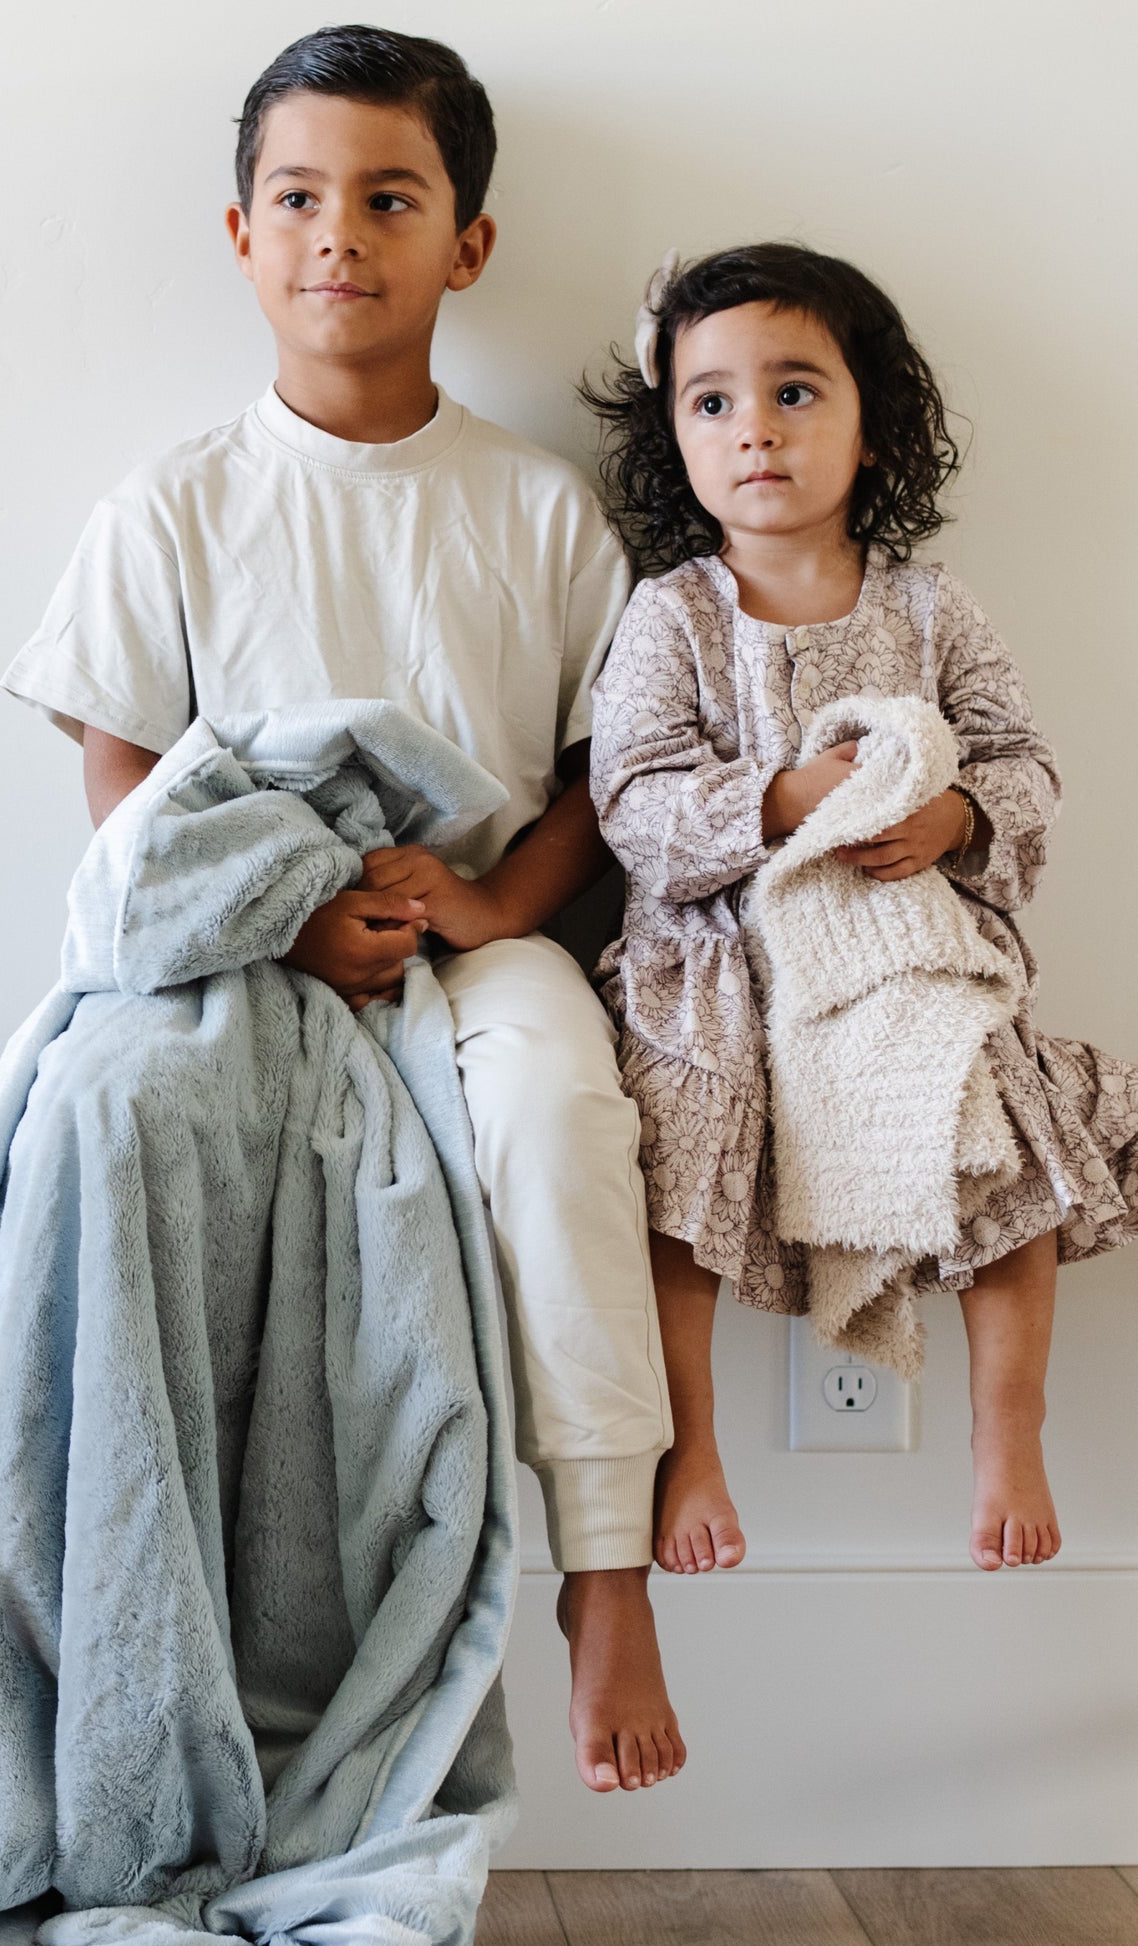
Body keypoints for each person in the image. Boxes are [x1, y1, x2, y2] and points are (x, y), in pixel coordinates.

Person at [3, 25, 683, 1794]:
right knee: (125, 1118)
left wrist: (475, 910)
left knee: (555, 1107)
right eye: (296, 199)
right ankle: (165, 1630)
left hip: (483, 945)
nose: (336, 237)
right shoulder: (171, 506)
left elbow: (596, 789)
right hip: (243, 948)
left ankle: (604, 1567)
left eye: (388, 199)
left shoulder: (534, 512)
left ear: (465, 243)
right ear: (239, 235)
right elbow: (125, 796)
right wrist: (286, 915)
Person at [582, 242, 1137, 1579]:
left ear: (872, 429)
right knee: (673, 1137)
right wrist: (780, 798)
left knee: (1005, 1119)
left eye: (792, 391)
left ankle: (1006, 1423)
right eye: (710, 401)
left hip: (902, 952)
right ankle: (688, 1440)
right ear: (673, 439)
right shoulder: (672, 617)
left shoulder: (930, 610)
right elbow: (632, 795)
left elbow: (1022, 763)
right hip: (724, 960)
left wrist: (955, 818)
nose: (753, 429)